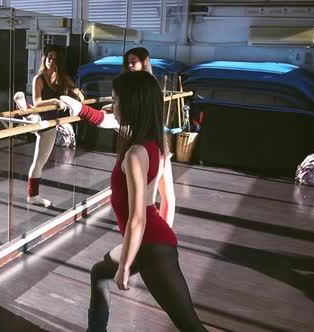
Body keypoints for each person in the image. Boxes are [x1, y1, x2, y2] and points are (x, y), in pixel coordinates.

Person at [62, 71, 207, 332]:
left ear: (131, 105)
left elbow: (138, 216)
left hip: (151, 248)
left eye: (116, 100)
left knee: (190, 325)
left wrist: (126, 265)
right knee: (98, 273)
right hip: (146, 242)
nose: (112, 105)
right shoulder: (157, 144)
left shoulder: (134, 154)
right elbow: (164, 203)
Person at [21, 46, 84, 207]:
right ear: (44, 58)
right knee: (33, 115)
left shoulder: (61, 78)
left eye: (55, 59)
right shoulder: (39, 78)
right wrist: (55, 101)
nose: (51, 61)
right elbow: (37, 102)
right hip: (40, 117)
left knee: (40, 162)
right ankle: (24, 108)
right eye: (49, 57)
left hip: (50, 123)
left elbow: (76, 91)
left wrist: (78, 95)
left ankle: (32, 196)